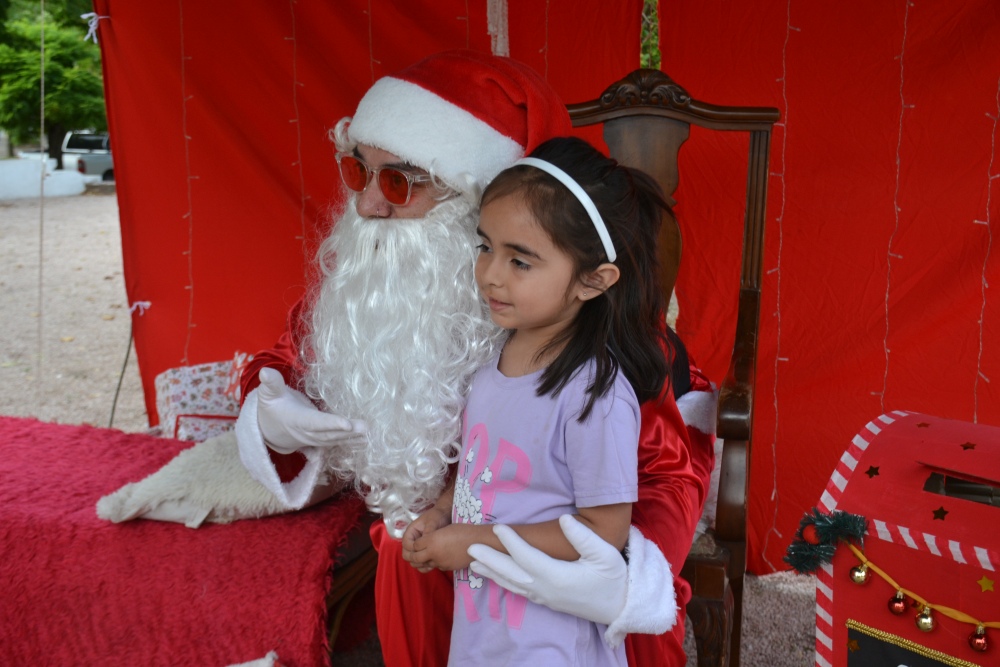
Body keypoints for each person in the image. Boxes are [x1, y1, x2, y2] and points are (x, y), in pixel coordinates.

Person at [233, 49, 718, 666]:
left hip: (550, 592)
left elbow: (662, 480)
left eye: (398, 182)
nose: (366, 208)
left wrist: (606, 573)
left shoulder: (597, 354)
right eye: (358, 172)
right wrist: (270, 399)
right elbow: (295, 348)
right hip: (445, 545)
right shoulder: (384, 276)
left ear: (470, 196)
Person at [401, 135, 675, 665]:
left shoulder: (592, 395)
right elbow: (483, 473)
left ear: (592, 282)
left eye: (520, 261)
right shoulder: (488, 361)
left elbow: (603, 533)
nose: (491, 274)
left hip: (550, 636)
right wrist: (440, 514)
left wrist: (474, 543)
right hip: (486, 627)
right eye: (486, 247)